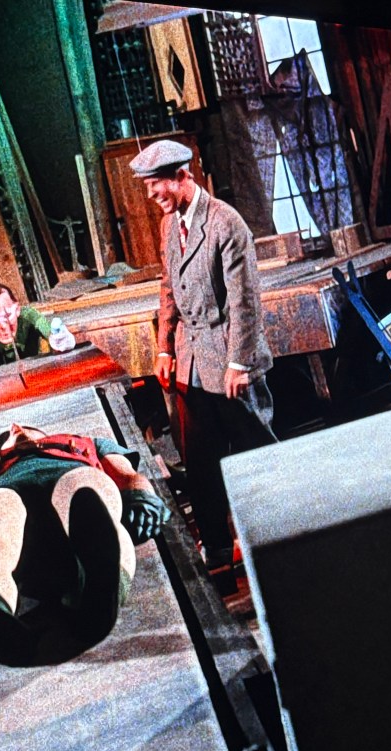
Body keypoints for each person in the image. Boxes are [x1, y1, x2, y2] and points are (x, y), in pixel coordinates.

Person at [130, 139, 277, 590]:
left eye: (158, 188)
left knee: (258, 458)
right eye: (151, 189)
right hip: (191, 367)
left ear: (182, 177)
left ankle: (279, 538)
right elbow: (168, 287)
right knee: (202, 466)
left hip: (230, 367)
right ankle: (217, 552)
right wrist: (163, 348)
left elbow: (245, 301)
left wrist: (239, 362)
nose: (154, 197)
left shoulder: (225, 223)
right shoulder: (169, 225)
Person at [0, 424, 170, 665]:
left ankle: (100, 597)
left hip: (69, 478)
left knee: (87, 496)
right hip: (6, 494)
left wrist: (143, 498)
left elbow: (127, 474)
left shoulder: (87, 441)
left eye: (23, 429)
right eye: (10, 434)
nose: (17, 428)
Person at [0, 282, 75, 376]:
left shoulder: (28, 316)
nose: (3, 326)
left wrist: (60, 339)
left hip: (34, 375)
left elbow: (48, 330)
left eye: (7, 316)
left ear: (17, 309)